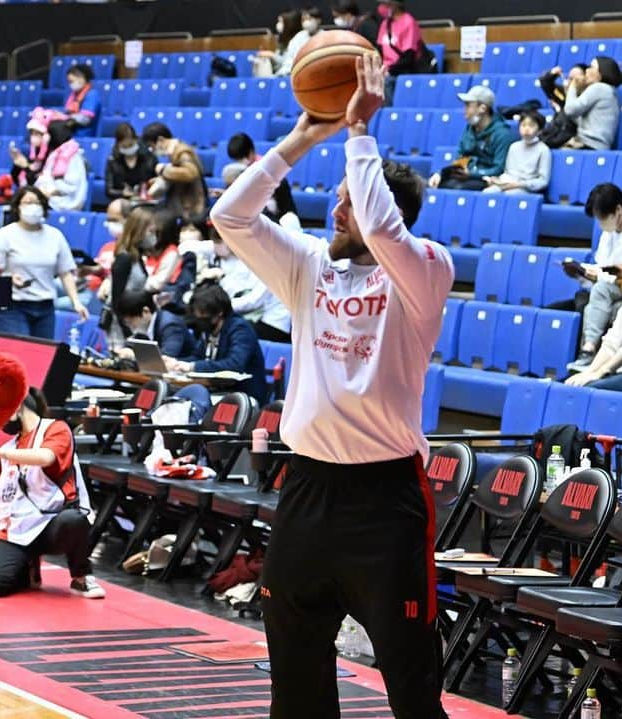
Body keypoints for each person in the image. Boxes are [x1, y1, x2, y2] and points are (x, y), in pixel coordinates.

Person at [210, 54, 453, 718]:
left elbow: (377, 225)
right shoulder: (307, 268)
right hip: (309, 488)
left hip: (385, 500)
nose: (335, 213)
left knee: (409, 676)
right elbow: (230, 216)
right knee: (295, 668)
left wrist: (360, 132)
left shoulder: (426, 271)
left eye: (344, 205)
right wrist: (303, 139)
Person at [0, 388, 104, 599]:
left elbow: (46, 457)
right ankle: (27, 568)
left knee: (74, 519)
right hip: (18, 529)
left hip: (53, 524)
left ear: (16, 408)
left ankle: (81, 576)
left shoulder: (56, 429)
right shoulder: (8, 448)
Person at [0, 186, 88, 339]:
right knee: (20, 352)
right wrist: (9, 278)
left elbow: (65, 272)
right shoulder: (4, 235)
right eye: (27, 203)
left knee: (43, 355)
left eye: (36, 203)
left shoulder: (55, 236)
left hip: (45, 307)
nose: (32, 207)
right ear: (17, 207)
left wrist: (76, 302)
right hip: (13, 306)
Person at [165, 284, 268, 404]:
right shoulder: (208, 329)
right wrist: (177, 364)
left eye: (203, 315)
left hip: (243, 396)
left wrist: (192, 367)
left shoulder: (240, 329)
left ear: (219, 313)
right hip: (215, 391)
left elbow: (234, 365)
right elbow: (198, 357)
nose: (199, 319)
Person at [568, 182, 622, 369]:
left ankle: (588, 349)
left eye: (604, 218)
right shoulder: (607, 234)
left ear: (618, 210)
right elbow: (601, 267)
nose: (601, 223)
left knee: (600, 290)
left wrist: (604, 276)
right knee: (580, 299)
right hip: (608, 285)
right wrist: (582, 274)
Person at [202, 233, 291, 343]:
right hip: (261, 317)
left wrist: (221, 306)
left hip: (274, 324)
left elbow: (254, 301)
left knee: (229, 328)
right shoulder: (262, 260)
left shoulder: (275, 265)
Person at [428, 86, 512, 191]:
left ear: (482, 108)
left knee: (457, 188)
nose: (464, 110)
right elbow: (461, 157)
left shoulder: (502, 134)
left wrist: (472, 174)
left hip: (487, 180)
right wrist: (441, 174)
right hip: (466, 175)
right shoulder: (469, 129)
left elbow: (499, 168)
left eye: (468, 105)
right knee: (434, 185)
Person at [101, 207, 155, 342]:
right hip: (121, 326)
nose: (153, 236)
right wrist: (127, 333)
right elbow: (116, 300)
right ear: (140, 231)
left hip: (133, 322)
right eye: (151, 231)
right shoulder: (124, 259)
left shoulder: (137, 256)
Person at [549, 56, 622, 150]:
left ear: (601, 72)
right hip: (593, 145)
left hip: (591, 145)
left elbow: (570, 110)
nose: (587, 70)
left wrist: (573, 86)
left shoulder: (599, 88)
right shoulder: (607, 90)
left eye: (591, 67)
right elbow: (576, 118)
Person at [142, 122, 207, 216]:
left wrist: (164, 170)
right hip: (180, 203)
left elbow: (190, 173)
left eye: (152, 146)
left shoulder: (182, 152)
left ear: (160, 140)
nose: (152, 150)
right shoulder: (174, 153)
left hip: (190, 208)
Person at [566, 301, 622, 392]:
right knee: (573, 384)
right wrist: (589, 373)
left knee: (590, 388)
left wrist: (600, 373)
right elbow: (610, 345)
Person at [482, 110, 552, 195]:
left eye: (531, 126)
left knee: (510, 195)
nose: (526, 129)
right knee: (487, 193)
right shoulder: (514, 147)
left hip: (525, 188)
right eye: (523, 125)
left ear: (540, 130)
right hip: (507, 184)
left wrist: (519, 184)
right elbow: (508, 173)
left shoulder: (543, 150)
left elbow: (543, 181)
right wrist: (497, 180)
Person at [115, 290, 195, 359]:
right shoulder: (143, 325)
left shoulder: (170, 325)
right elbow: (131, 344)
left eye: (131, 321)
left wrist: (134, 356)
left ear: (145, 311)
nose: (129, 325)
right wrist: (126, 350)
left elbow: (167, 357)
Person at [35, 121, 88, 212]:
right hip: (50, 198)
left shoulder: (73, 156)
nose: (45, 138)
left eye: (48, 133)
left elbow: (71, 187)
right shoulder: (55, 153)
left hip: (66, 202)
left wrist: (50, 192)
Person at [105, 122, 157, 201]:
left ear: (136, 140)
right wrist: (122, 193)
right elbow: (109, 190)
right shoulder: (112, 160)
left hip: (146, 199)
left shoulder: (149, 157)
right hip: (122, 200)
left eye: (130, 145)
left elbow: (156, 181)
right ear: (118, 144)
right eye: (124, 146)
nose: (128, 149)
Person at [376, 0, 422, 74]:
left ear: (395, 5)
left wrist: (390, 70)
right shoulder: (385, 23)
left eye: (385, 4)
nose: (381, 7)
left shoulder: (409, 22)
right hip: (385, 70)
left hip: (401, 72)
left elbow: (409, 56)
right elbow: (379, 49)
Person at [61, 64, 101, 138]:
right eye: (69, 82)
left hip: (84, 133)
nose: (71, 84)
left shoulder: (92, 94)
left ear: (82, 78)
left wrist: (67, 118)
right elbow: (66, 111)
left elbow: (85, 119)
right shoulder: (74, 95)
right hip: (71, 131)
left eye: (72, 81)